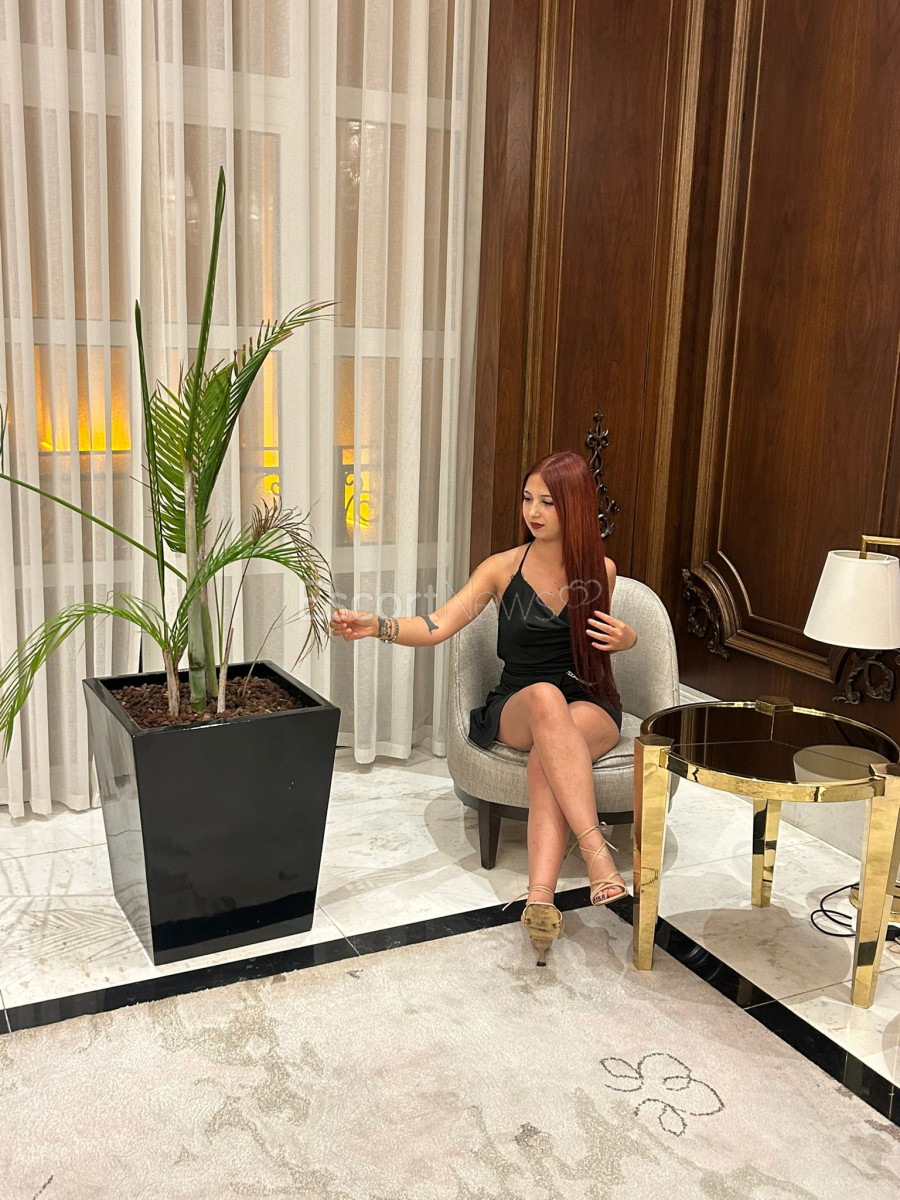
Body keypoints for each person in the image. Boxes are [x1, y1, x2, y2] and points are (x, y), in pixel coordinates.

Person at [330, 450, 638, 965]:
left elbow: (606, 642)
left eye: (547, 502)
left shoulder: (599, 571)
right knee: (545, 700)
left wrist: (629, 640)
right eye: (527, 499)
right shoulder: (501, 569)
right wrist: (377, 625)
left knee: (548, 756)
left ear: (576, 506)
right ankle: (595, 853)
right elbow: (436, 625)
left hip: (589, 699)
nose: (533, 512)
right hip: (520, 701)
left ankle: (540, 899)